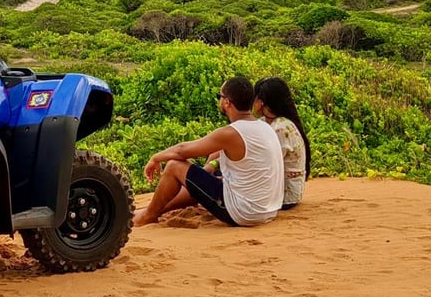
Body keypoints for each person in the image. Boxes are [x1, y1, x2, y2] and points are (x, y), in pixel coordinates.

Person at [132, 76, 284, 227]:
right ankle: (156, 209)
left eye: (220, 96)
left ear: (227, 102)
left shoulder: (231, 133)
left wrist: (155, 158)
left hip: (244, 213)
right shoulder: (265, 127)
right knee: (202, 176)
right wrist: (212, 165)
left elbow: (182, 151)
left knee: (174, 166)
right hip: (268, 209)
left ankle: (148, 215)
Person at [253, 77, 310, 209]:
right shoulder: (268, 122)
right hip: (280, 191)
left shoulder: (280, 129)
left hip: (284, 196)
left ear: (261, 102)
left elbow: (267, 165)